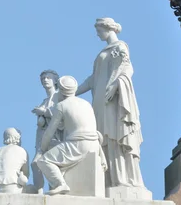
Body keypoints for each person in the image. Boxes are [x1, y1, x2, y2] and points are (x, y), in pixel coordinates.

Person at [76, 18, 145, 189]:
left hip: (113, 101)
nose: (97, 34)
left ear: (107, 29)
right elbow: (93, 79)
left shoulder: (120, 47)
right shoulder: (105, 52)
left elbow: (127, 69)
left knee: (115, 137)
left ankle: (121, 179)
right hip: (100, 102)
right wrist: (71, 92)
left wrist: (115, 85)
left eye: (99, 31)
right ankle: (108, 180)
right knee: (103, 139)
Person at [36, 76, 105, 195]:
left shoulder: (61, 106)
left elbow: (49, 132)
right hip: (95, 145)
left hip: (78, 144)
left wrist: (41, 150)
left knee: (44, 161)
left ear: (61, 91)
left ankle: (60, 184)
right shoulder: (86, 103)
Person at [30, 69, 62, 193]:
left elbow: (61, 114)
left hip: (55, 137)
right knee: (35, 164)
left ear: (55, 80)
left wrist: (43, 112)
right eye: (43, 78)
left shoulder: (59, 96)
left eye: (48, 77)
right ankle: (39, 191)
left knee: (52, 164)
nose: (45, 80)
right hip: (43, 138)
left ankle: (56, 188)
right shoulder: (45, 101)